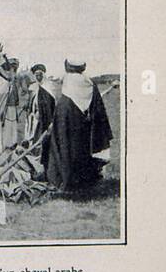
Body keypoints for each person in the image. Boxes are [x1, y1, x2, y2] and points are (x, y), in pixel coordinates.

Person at [46, 58, 113, 194]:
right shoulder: (88, 82)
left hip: (66, 123)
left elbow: (62, 105)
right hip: (83, 124)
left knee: (64, 150)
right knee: (80, 151)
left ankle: (64, 181)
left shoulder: (68, 79)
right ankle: (82, 181)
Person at [24, 63, 56, 174]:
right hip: (32, 119)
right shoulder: (33, 87)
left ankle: (40, 163)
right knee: (31, 139)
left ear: (43, 74)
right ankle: (32, 162)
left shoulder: (48, 87)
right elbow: (30, 101)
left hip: (42, 120)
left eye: (40, 74)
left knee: (39, 140)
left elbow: (50, 106)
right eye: (36, 74)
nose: (38, 76)